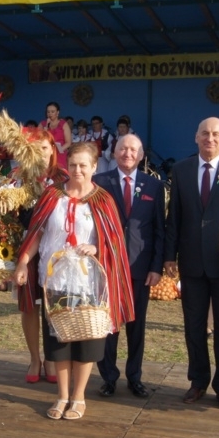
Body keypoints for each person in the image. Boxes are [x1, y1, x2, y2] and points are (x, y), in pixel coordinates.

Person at [13, 141, 134, 421]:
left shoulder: (103, 200)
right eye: (72, 165)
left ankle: (79, 398)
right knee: (59, 341)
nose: (77, 170)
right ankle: (62, 397)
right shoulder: (52, 195)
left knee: (86, 341)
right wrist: (23, 262)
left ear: (94, 167)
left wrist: (97, 247)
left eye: (83, 165)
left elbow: (115, 242)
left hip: (88, 283)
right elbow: (37, 233)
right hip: (55, 281)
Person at [164, 118, 219, 409]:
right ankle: (198, 380)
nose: (210, 138)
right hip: (191, 262)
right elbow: (174, 216)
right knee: (194, 326)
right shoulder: (181, 169)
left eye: (216, 134)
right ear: (196, 137)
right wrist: (169, 255)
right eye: (205, 133)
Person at [94, 134, 165, 398]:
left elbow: (159, 229)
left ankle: (135, 377)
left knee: (137, 326)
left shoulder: (154, 186)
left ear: (142, 155)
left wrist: (156, 267)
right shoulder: (99, 182)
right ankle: (108, 377)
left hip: (139, 267)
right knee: (108, 325)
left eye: (133, 150)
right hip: (108, 266)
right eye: (123, 148)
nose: (128, 153)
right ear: (114, 152)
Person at [14, 130, 67, 384]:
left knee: (53, 303)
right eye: (34, 148)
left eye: (44, 148)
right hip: (28, 245)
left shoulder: (63, 178)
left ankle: (52, 359)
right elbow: (11, 214)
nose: (40, 153)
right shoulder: (19, 178)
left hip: (55, 247)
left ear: (53, 150)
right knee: (29, 305)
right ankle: (35, 358)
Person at [41, 102, 72, 168]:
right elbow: (38, 140)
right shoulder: (42, 124)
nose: (50, 114)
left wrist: (58, 151)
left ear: (57, 112)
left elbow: (68, 143)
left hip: (60, 153)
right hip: (47, 154)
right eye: (48, 112)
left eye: (52, 112)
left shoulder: (63, 124)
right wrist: (46, 128)